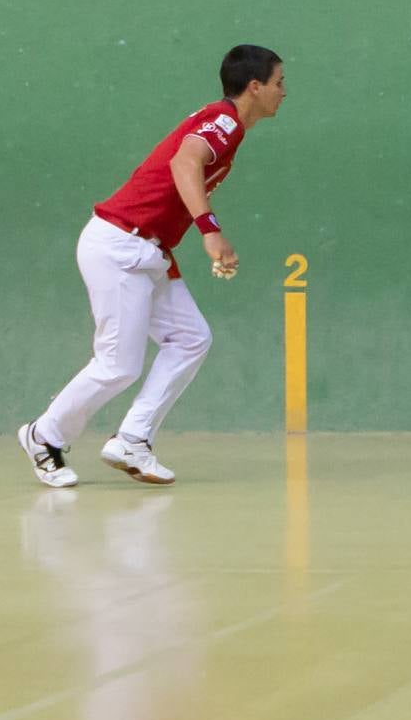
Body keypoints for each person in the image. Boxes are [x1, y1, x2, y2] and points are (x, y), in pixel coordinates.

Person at [15, 45, 288, 487]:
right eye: (278, 83)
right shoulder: (223, 122)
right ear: (254, 87)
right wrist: (210, 229)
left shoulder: (225, 125)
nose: (283, 92)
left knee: (190, 338)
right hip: (120, 244)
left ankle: (132, 440)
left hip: (149, 251)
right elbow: (185, 162)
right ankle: (43, 436)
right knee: (117, 365)